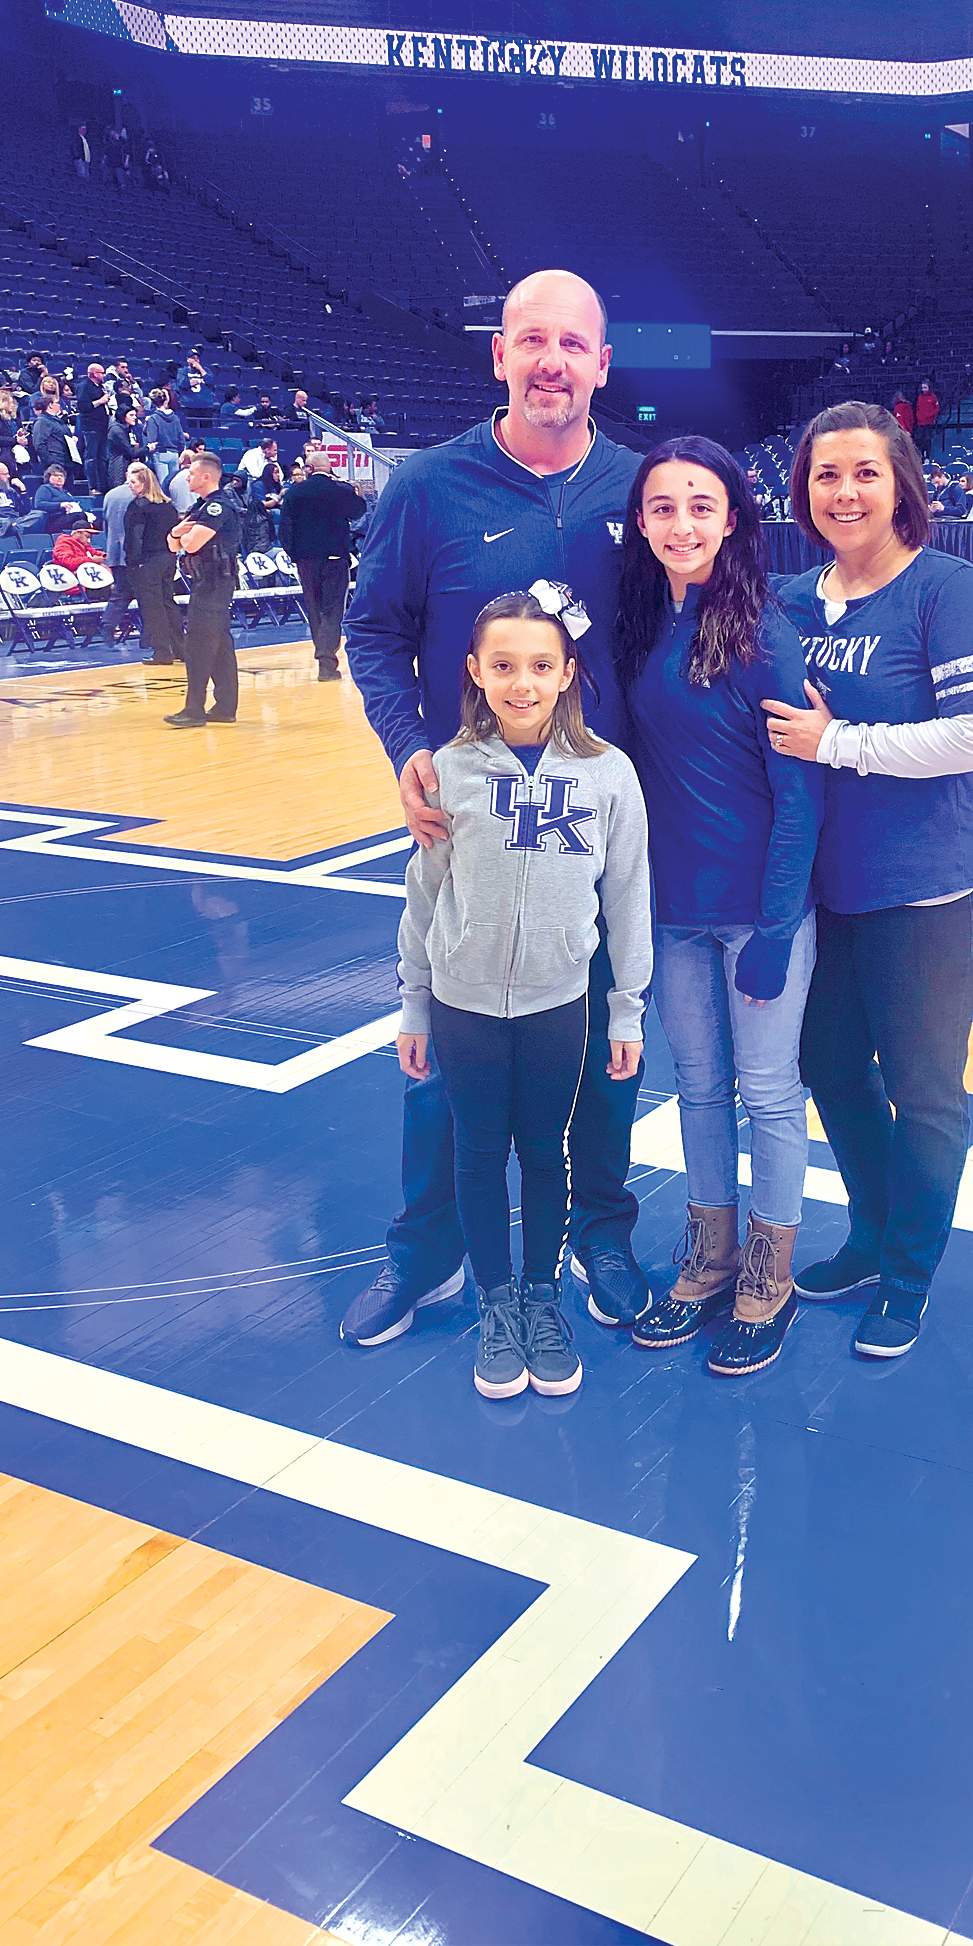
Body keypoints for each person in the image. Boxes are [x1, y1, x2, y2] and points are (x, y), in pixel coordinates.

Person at [340, 268, 648, 1350]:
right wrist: (407, 746)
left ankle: (601, 1233)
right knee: (442, 1056)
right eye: (531, 339)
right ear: (500, 355)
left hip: (591, 822)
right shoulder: (428, 484)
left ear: (601, 363)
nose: (550, 361)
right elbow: (371, 629)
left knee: (602, 1041)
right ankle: (426, 1250)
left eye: (571, 343)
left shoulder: (641, 488)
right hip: (465, 824)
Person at [764, 400, 973, 1360]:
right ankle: (871, 1234)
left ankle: (907, 1273)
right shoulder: (793, 600)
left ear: (899, 482)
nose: (844, 492)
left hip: (937, 887)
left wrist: (838, 742)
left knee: (924, 1087)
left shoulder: (946, 588)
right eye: (825, 475)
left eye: (864, 472)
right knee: (827, 1064)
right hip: (833, 888)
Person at [397, 590, 651, 1400]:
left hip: (557, 1001)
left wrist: (626, 1008)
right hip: (462, 1003)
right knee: (476, 1151)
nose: (522, 683)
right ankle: (495, 1303)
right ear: (475, 671)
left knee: (546, 1153)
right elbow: (424, 893)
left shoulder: (608, 774)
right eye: (503, 665)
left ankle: (542, 1299)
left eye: (541, 666)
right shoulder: (449, 772)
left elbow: (628, 898)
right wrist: (414, 1001)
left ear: (567, 672)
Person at [616, 437, 821, 1376]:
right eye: (662, 507)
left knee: (768, 1093)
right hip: (671, 913)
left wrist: (776, 929)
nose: (681, 524)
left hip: (755, 913)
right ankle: (708, 1261)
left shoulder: (763, 634)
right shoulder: (638, 623)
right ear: (640, 521)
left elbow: (799, 793)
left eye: (701, 506)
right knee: (697, 1089)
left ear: (731, 519)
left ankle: (768, 1279)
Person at [165, 452, 244, 725]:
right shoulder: (200, 506)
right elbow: (172, 543)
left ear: (207, 476)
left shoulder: (217, 507)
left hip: (215, 581)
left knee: (199, 644)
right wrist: (177, 534)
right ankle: (225, 707)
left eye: (192, 473)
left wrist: (180, 534)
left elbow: (190, 544)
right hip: (205, 580)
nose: (187, 477)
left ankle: (194, 709)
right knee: (220, 644)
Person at [279, 452, 364, 681]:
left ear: (309, 468)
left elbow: (285, 529)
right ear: (328, 468)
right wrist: (358, 494)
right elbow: (358, 511)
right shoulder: (340, 490)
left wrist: (295, 555)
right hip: (335, 557)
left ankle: (323, 657)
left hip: (306, 560)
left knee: (314, 608)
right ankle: (326, 660)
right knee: (333, 609)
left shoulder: (295, 492)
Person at [123, 462, 185, 665]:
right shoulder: (168, 507)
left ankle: (162, 652)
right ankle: (181, 649)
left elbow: (135, 537)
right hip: (168, 558)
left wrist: (132, 562)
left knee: (152, 607)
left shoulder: (138, 507)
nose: (130, 486)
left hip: (148, 561)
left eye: (133, 482)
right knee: (168, 602)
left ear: (144, 484)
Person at [100, 465, 139, 645]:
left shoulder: (110, 495)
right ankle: (150, 636)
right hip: (136, 554)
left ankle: (108, 626)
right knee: (146, 594)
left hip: (115, 552)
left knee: (120, 593)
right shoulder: (142, 495)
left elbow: (106, 525)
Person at [0, 462, 44, 538]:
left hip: (14, 520)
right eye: (5, 474)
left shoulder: (10, 490)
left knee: (39, 514)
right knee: (3, 522)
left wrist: (22, 490)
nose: (8, 476)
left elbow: (25, 510)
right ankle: (16, 528)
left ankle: (13, 529)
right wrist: (10, 517)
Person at [143, 388, 186, 487]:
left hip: (161, 453)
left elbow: (152, 440)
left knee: (163, 485)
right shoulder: (175, 418)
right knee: (173, 484)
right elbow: (181, 439)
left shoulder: (153, 418)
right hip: (174, 454)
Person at [33, 463, 89, 535]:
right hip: (53, 520)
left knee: (98, 522)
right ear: (49, 477)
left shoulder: (65, 492)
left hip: (68, 517)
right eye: (56, 475)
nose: (59, 477)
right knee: (80, 516)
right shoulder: (45, 488)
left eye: (61, 476)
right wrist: (60, 505)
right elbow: (38, 504)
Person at [31, 395, 77, 476]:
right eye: (57, 403)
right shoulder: (42, 422)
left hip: (66, 462)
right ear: (50, 405)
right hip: (55, 463)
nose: (59, 405)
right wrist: (49, 462)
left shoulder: (58, 421)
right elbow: (39, 444)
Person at [105, 406, 144, 486]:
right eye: (131, 415)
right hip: (119, 467)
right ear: (123, 416)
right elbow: (129, 451)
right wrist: (147, 449)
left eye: (135, 415)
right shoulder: (116, 430)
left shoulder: (130, 429)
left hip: (127, 465)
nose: (134, 417)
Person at [913, 377, 939, 457]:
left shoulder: (933, 397)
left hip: (929, 422)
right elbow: (918, 409)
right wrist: (919, 418)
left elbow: (936, 409)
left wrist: (931, 415)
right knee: (920, 439)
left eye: (925, 387)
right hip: (921, 422)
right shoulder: (920, 397)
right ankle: (920, 455)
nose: (923, 389)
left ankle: (927, 455)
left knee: (928, 439)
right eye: (922, 388)